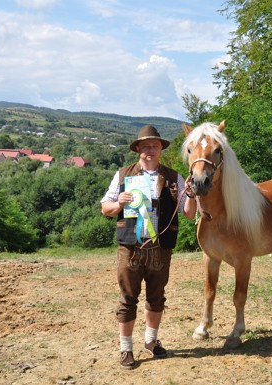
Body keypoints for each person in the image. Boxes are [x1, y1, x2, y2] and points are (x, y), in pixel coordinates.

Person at [100, 125, 196, 370]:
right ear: (138, 150)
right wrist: (119, 202)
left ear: (161, 149)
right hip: (130, 248)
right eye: (145, 146)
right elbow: (105, 208)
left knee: (156, 297)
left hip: (161, 248)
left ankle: (151, 342)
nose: (150, 150)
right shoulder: (123, 175)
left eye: (154, 146)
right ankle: (126, 349)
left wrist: (193, 195)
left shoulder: (174, 177)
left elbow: (188, 214)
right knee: (127, 298)